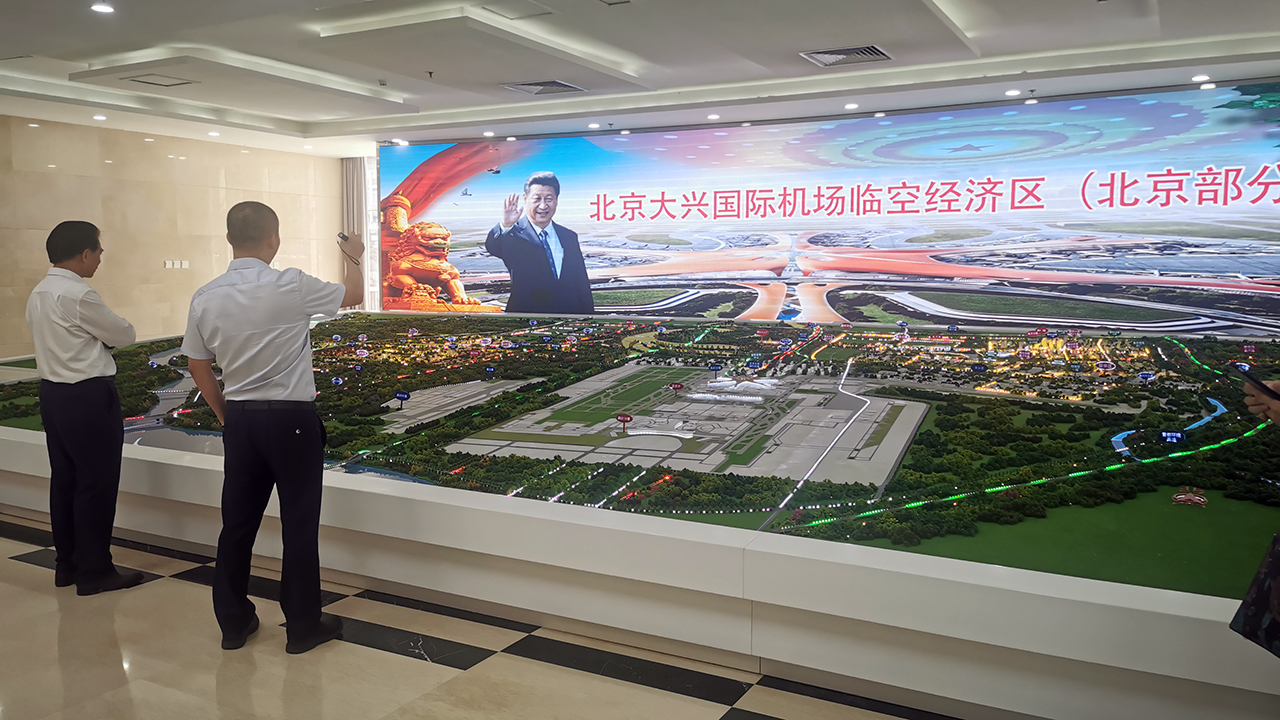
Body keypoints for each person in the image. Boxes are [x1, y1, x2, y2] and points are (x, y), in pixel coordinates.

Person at [183, 202, 363, 654]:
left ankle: (233, 623)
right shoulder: (292, 284)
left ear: (229, 239)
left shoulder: (205, 296)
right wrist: (354, 256)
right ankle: (302, 626)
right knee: (298, 524)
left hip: (241, 420)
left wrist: (226, 415)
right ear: (274, 239)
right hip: (292, 421)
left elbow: (198, 364)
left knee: (236, 525)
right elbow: (354, 294)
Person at [25, 221, 143, 596]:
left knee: (65, 481)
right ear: (85, 253)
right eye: (99, 251)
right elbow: (124, 334)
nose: (101, 258)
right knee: (96, 484)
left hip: (53, 395)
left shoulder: (39, 292)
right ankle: (95, 571)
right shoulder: (77, 293)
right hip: (87, 397)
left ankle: (67, 565)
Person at [485, 171, 594, 315]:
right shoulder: (513, 234)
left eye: (549, 199)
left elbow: (581, 283)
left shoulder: (569, 236)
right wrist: (505, 225)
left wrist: (589, 318)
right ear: (526, 198)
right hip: (527, 319)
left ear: (556, 200)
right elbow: (493, 247)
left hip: (568, 317)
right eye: (537, 199)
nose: (543, 206)